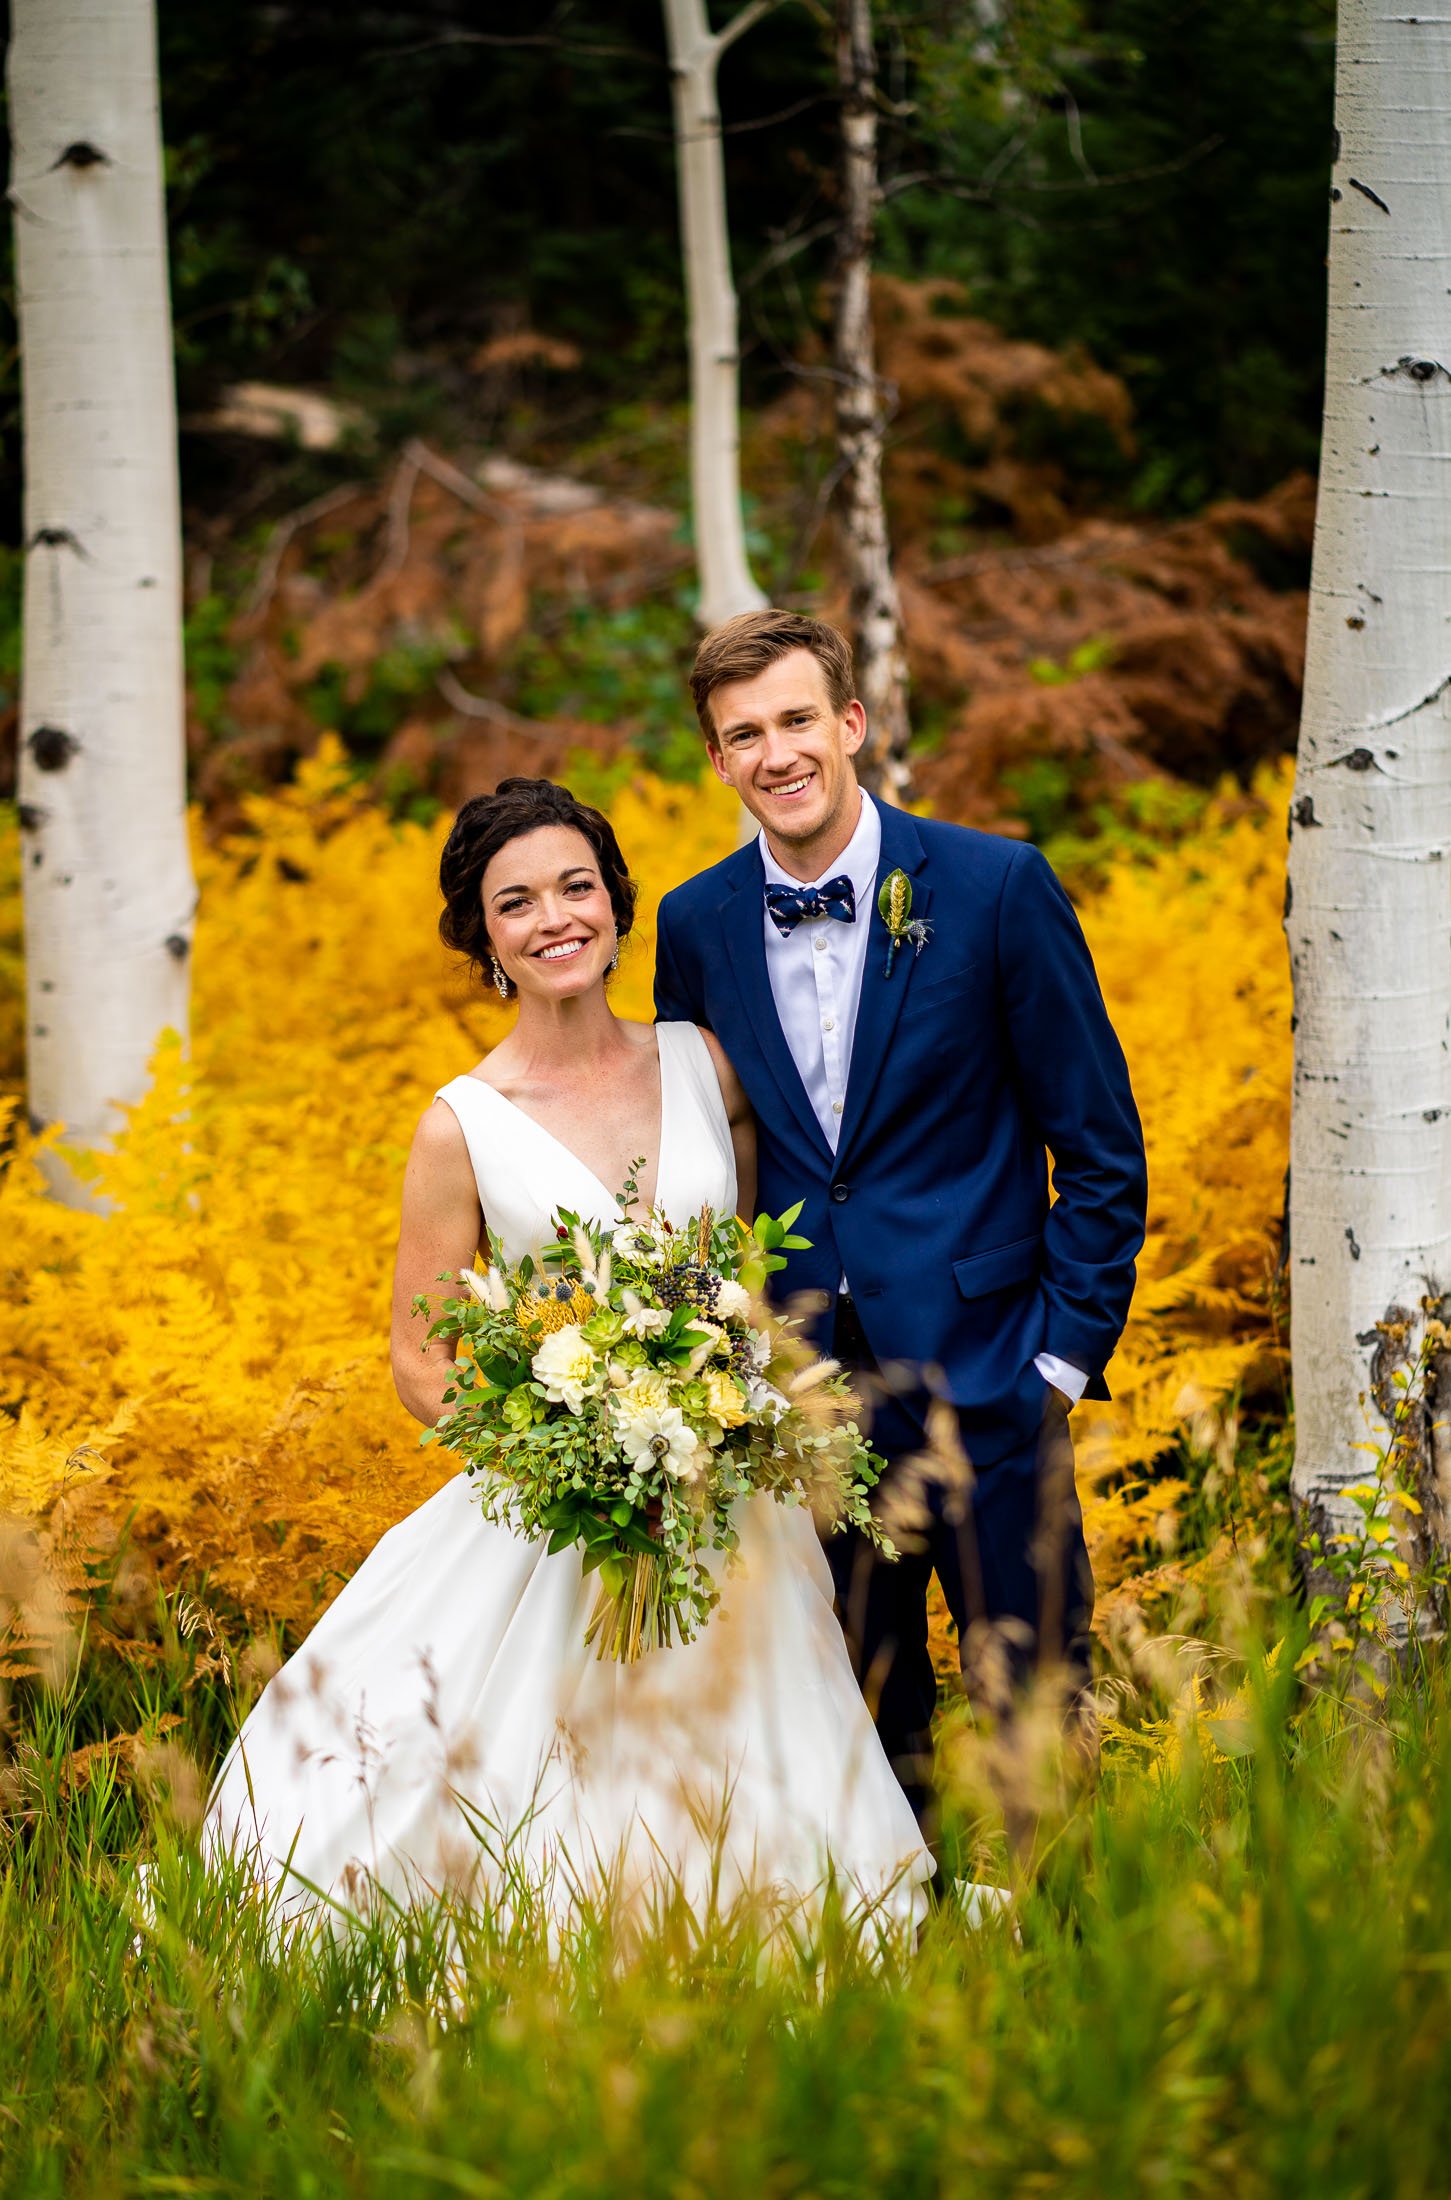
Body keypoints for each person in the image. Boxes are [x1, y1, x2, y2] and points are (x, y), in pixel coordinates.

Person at [203, 776, 932, 1937]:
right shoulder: (460, 1122)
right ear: (481, 937)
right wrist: (571, 1461)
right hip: (558, 1509)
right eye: (518, 902)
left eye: (576, 887)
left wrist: (732, 1404)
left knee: (758, 1769)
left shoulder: (705, 1063)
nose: (555, 919)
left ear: (614, 901)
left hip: (724, 1496)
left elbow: (753, 1280)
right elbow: (417, 1352)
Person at [653, 610, 1147, 1833]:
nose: (775, 753)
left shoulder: (993, 887)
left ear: (850, 723)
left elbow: (1095, 1143)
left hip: (991, 1372)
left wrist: (1060, 1356)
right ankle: (905, 1946)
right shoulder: (694, 924)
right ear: (718, 761)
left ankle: (1064, 1959)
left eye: (796, 720)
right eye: (742, 734)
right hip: (807, 1400)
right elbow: (694, 1157)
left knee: (1031, 1696)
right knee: (861, 1709)